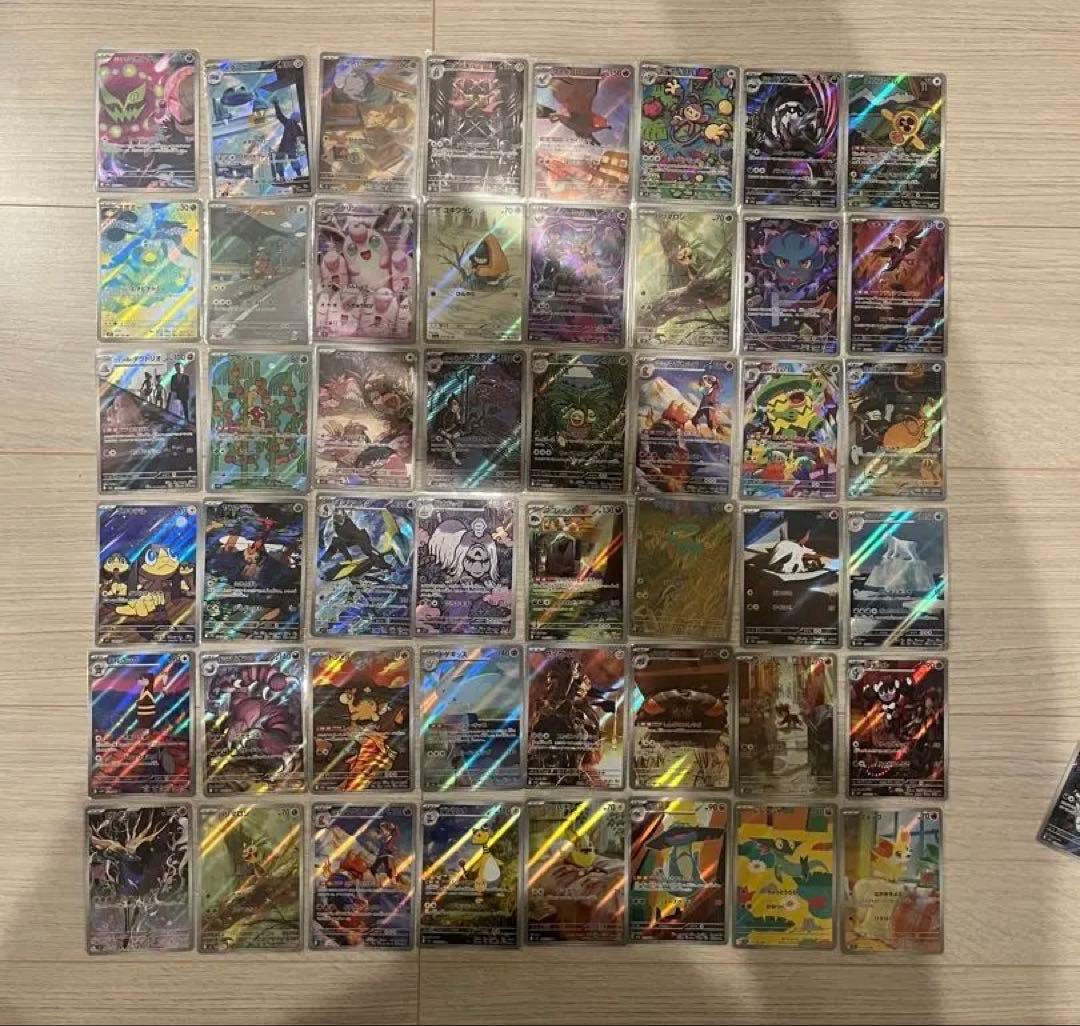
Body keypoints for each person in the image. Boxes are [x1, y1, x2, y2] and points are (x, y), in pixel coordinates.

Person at [272, 98, 305, 184]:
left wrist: (276, 105)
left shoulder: (287, 122)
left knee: (279, 159)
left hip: (284, 145)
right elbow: (302, 138)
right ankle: (299, 175)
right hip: (291, 146)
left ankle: (282, 177)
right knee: (293, 159)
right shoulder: (297, 127)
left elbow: (279, 115)